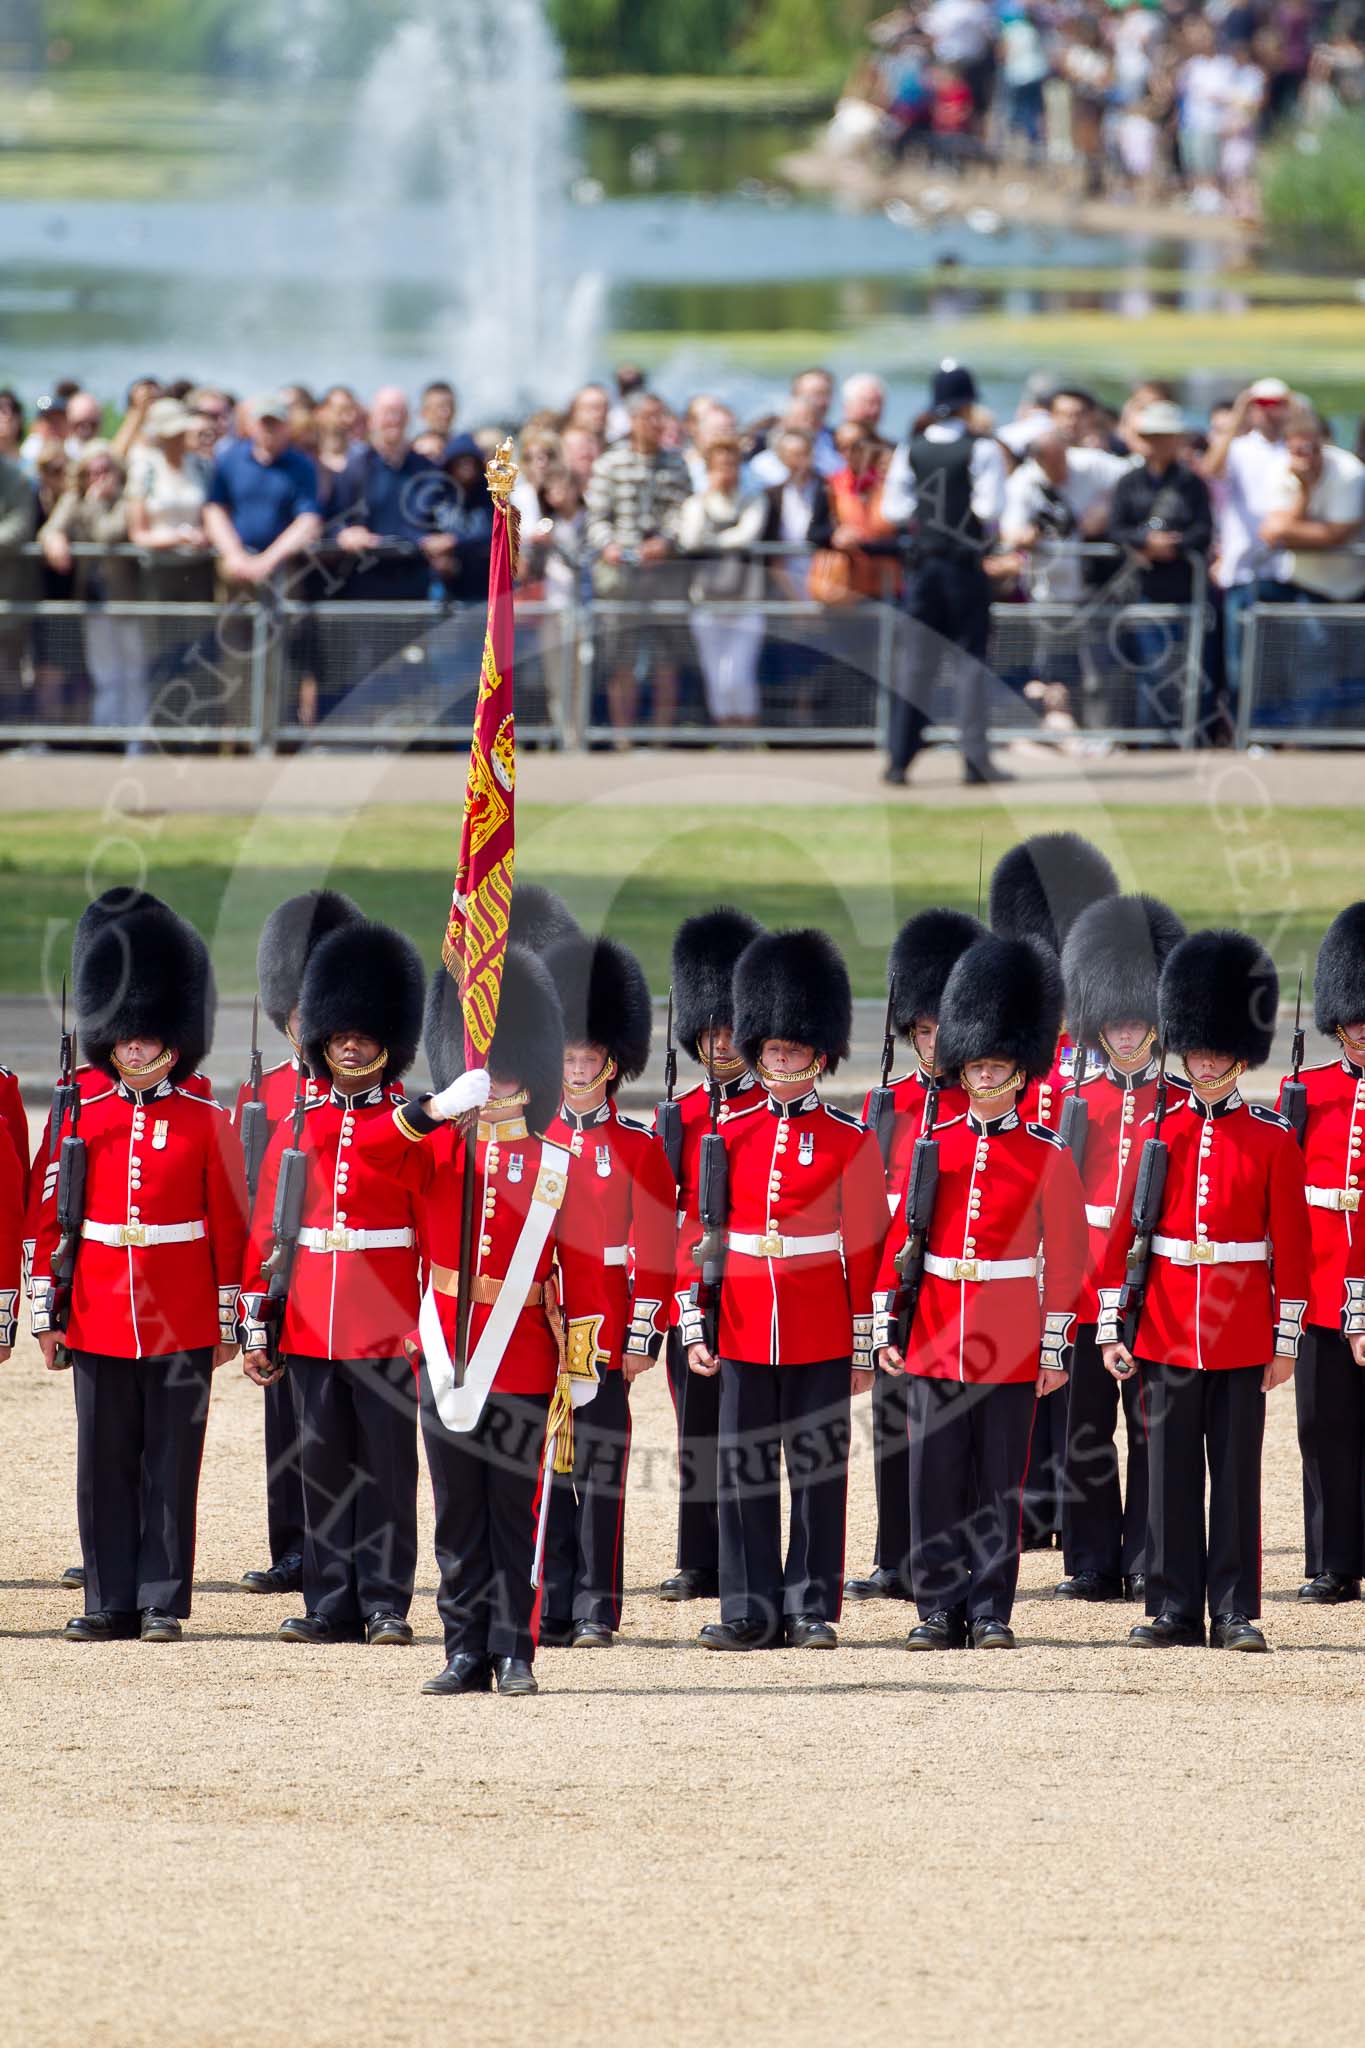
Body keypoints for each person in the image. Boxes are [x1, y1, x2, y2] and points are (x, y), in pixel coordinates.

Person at [351, 946, 610, 1698]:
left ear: (527, 1076)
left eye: (503, 1072)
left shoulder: (556, 1164)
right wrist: (431, 1109)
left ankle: (514, 1650)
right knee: (457, 1512)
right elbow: (370, 1155)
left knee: (516, 1514)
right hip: (447, 1352)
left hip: (523, 1354)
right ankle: (464, 1648)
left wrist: (581, 1366)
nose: (493, 1083)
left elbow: (586, 1276)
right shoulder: (438, 1150)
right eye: (483, 1072)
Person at [30, 904, 247, 1643]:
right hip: (96, 1310)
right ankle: (108, 1598)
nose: (133, 1044)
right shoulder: (82, 1117)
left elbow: (230, 1228)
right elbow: (52, 1221)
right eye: (123, 1033)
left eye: (147, 1034)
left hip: (180, 1314)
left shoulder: (206, 1121)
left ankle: (160, 1600)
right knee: (103, 1464)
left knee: (171, 1465)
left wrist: (227, 1321)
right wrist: (49, 1315)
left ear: (172, 1039)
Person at [1099, 929, 1312, 1651]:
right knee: (1167, 1474)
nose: (1207, 1063)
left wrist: (1285, 1342)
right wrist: (1112, 1328)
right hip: (1164, 1329)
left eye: (1218, 1052)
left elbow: (1294, 1250)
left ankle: (1234, 1609)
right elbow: (1122, 1239)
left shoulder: (1272, 1138)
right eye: (1197, 1051)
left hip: (1241, 1330)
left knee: (1236, 1476)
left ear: (1239, 1055)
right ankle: (1172, 1607)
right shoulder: (1156, 1135)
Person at [874, 933, 1088, 1650]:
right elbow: (903, 1241)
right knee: (932, 1477)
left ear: (1019, 1071)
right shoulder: (934, 1144)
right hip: (936, 1327)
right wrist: (887, 1323)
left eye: (996, 1065)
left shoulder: (1046, 1153)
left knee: (1000, 1480)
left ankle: (992, 1607)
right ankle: (937, 1606)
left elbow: (1067, 1259)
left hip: (1008, 1333)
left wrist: (1053, 1345)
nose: (985, 1075)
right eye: (976, 1065)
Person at [683, 928, 888, 1652]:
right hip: (743, 1321)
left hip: (820, 1326)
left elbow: (867, 1250)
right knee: (742, 1470)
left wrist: (863, 1343)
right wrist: (696, 1321)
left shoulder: (849, 1139)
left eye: (793, 1053)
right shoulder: (729, 1133)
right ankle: (748, 1608)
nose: (780, 1063)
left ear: (818, 1057)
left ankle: (810, 1606)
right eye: (770, 1051)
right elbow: (700, 1234)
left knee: (816, 1473)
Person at [240, 920, 427, 1647]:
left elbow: (433, 1234)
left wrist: (430, 1324)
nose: (349, 1046)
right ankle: (330, 1601)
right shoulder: (299, 1122)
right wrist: (257, 1322)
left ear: (387, 1042)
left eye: (363, 1035)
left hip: (387, 1323)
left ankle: (384, 1602)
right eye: (339, 1035)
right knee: (320, 1466)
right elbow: (268, 1231)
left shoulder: (413, 1127)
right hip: (312, 1320)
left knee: (386, 1470)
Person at [541, 935, 675, 1646]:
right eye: (566, 1057)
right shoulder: (534, 1138)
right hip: (542, 1327)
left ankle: (597, 1606)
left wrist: (642, 1335)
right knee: (548, 1470)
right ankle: (552, 1603)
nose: (574, 1070)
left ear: (610, 1064)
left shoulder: (637, 1144)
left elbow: (656, 1250)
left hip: (605, 1325)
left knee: (600, 1475)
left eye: (586, 1059)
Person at [1054, 893, 1187, 1602]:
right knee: (1084, 1427)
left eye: (1138, 1020)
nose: (1128, 1032)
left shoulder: (1178, 1101)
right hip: (1084, 1285)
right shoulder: (1075, 1104)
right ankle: (1091, 1558)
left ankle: (1148, 1554)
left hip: (1154, 1284)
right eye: (1116, 1021)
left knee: (1150, 1429)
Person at [845, 907, 979, 1605]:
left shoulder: (982, 1105)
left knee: (955, 1434)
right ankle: (892, 1555)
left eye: (941, 1030)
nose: (931, 1043)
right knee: (891, 1425)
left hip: (955, 1286)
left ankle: (953, 1556)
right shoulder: (885, 1102)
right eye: (922, 1031)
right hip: (894, 1285)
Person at [232, 888, 362, 1596]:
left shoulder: (374, 1092)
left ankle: (344, 1554)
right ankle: (292, 1548)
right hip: (278, 1277)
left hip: (341, 1279)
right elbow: (239, 1200)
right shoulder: (263, 1094)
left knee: (342, 1428)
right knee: (283, 1423)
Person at [656, 907, 764, 1602]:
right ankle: (697, 1556)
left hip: (750, 1288)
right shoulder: (680, 1115)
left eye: (730, 1030)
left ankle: (740, 1554)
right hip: (690, 1287)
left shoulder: (767, 1112)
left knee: (744, 1431)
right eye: (709, 1032)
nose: (720, 1042)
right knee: (694, 1429)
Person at [1278, 904, 1365, 1602]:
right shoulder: (1306, 1092)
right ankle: (1333, 1561)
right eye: (1354, 1016)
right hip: (1320, 1286)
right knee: (1320, 1425)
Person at [882, 360, 1011, 786]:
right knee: (970, 663)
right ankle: (975, 761)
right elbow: (990, 508)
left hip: (924, 567)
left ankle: (899, 760)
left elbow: (894, 510)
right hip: (963, 567)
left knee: (915, 663)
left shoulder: (911, 447)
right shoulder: (982, 449)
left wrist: (927, 515)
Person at [585, 390, 692, 740]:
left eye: (661, 416)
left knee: (667, 660)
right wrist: (610, 546)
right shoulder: (609, 464)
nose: (657, 424)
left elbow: (685, 513)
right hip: (622, 576)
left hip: (665, 575)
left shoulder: (677, 464)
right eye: (649, 417)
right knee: (621, 660)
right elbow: (596, 518)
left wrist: (666, 542)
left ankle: (662, 738)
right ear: (632, 421)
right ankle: (623, 739)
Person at [1107, 399, 1214, 733]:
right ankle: (1149, 738)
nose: (1157, 443)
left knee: (1187, 665)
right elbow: (1116, 528)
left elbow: (1203, 530)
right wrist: (1145, 542)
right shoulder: (1129, 482)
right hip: (1143, 588)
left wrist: (1174, 546)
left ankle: (1186, 734)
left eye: (1164, 436)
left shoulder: (1191, 483)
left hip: (1184, 588)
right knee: (1151, 666)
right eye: (1151, 436)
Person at [39, 443, 147, 737]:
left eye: (105, 470)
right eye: (92, 472)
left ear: (117, 471)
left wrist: (96, 504)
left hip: (127, 600)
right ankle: (107, 735)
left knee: (133, 671)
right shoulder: (75, 499)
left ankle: (135, 737)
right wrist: (55, 540)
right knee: (105, 672)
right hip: (94, 600)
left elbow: (107, 535)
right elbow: (50, 528)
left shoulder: (127, 501)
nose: (99, 478)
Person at [1202, 378, 1292, 706]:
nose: (1269, 412)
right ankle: (1243, 726)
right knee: (1240, 666)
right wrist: (1239, 412)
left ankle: (1276, 727)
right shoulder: (1239, 448)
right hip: (1242, 572)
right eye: (1262, 405)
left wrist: (1297, 412)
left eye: (1276, 405)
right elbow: (1210, 469)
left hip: (1289, 571)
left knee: (1285, 662)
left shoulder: (1294, 448)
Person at [678, 438, 768, 729]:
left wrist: (712, 541)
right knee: (715, 676)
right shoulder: (696, 503)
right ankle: (726, 736)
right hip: (707, 601)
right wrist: (707, 499)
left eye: (731, 466)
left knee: (738, 675)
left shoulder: (753, 500)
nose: (726, 472)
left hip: (745, 603)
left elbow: (746, 536)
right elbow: (689, 540)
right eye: (719, 467)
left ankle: (747, 734)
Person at [202, 391, 323, 589]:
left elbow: (308, 519)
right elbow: (215, 509)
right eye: (263, 422)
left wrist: (268, 561)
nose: (269, 429)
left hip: (284, 568)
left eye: (275, 423)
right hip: (235, 568)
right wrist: (234, 555)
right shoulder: (229, 459)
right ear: (251, 425)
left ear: (287, 426)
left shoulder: (302, 466)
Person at [1257, 414, 1365, 605]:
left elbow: (1338, 535)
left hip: (1353, 587)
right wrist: (1304, 491)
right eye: (1298, 451)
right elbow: (1272, 534)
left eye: (1312, 449)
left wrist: (1291, 535)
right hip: (1304, 585)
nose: (1306, 460)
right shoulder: (1277, 469)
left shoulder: (1349, 472)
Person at [125, 397, 214, 603]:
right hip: (158, 569)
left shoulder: (202, 467)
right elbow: (138, 533)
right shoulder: (144, 469)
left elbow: (212, 516)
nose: (179, 438)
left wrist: (204, 535)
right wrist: (177, 538)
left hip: (198, 568)